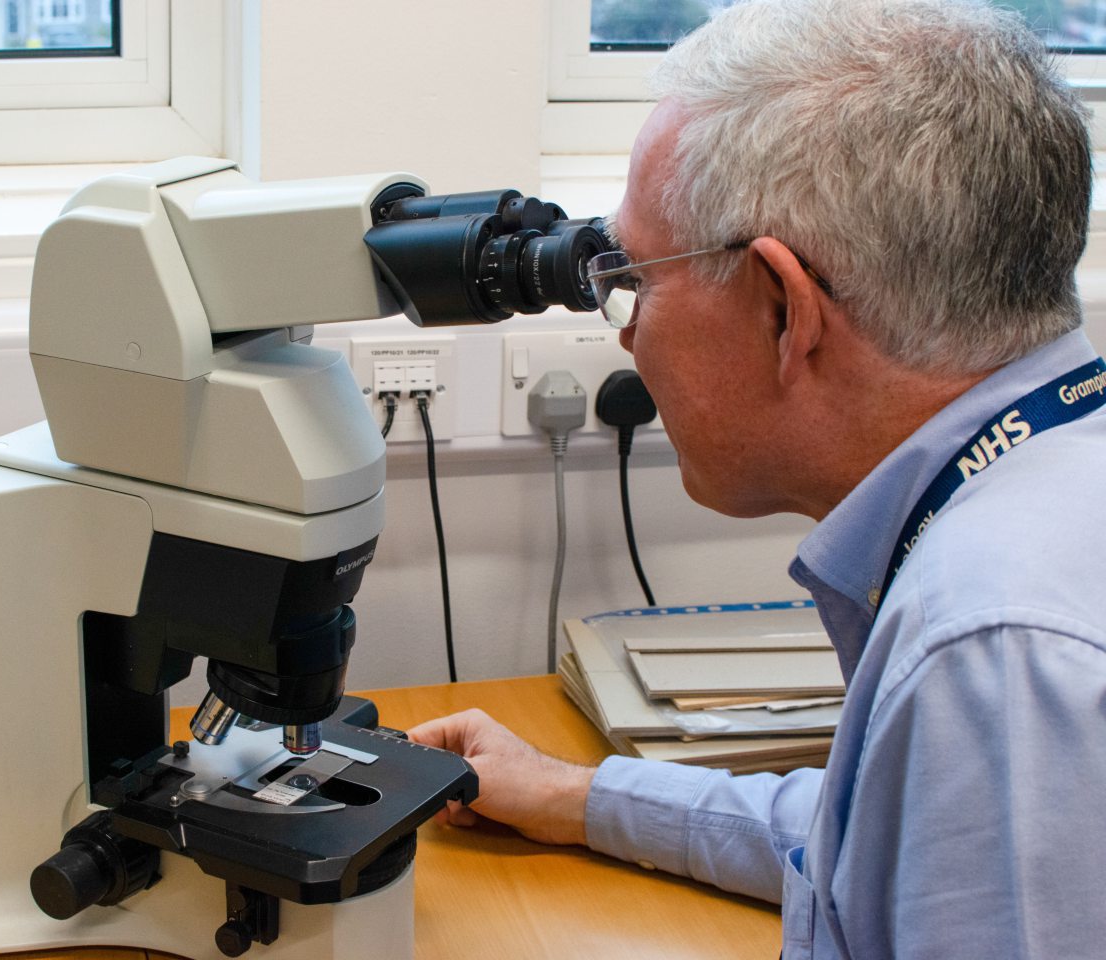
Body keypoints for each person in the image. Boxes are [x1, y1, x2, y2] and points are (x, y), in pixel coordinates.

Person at [409, 1, 1106, 957]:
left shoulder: (992, 651)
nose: (627, 333)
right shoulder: (1051, 480)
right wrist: (575, 795)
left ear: (785, 307)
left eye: (636, 281)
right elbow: (871, 843)